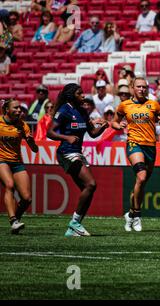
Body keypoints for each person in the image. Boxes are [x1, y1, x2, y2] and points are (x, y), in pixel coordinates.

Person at [46, 83, 109, 237]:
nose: (83, 95)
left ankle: (73, 227)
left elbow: (92, 133)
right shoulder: (64, 110)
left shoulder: (83, 110)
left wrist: (103, 127)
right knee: (91, 184)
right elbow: (50, 132)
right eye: (79, 93)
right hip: (66, 152)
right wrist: (66, 137)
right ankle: (74, 223)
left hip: (77, 153)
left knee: (87, 190)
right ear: (71, 95)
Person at [111, 77, 160, 232]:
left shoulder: (154, 105)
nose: (142, 89)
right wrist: (119, 125)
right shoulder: (125, 105)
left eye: (144, 87)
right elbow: (114, 122)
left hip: (150, 146)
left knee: (141, 183)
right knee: (141, 176)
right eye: (139, 87)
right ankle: (137, 215)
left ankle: (130, 214)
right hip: (134, 144)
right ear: (132, 88)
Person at [0, 99, 39, 234]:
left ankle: (16, 219)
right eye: (15, 108)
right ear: (6, 110)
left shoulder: (23, 125)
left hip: (16, 162)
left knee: (27, 198)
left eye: (20, 109)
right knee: (9, 185)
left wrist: (31, 141)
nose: (19, 111)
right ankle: (13, 220)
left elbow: (35, 150)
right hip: (1, 160)